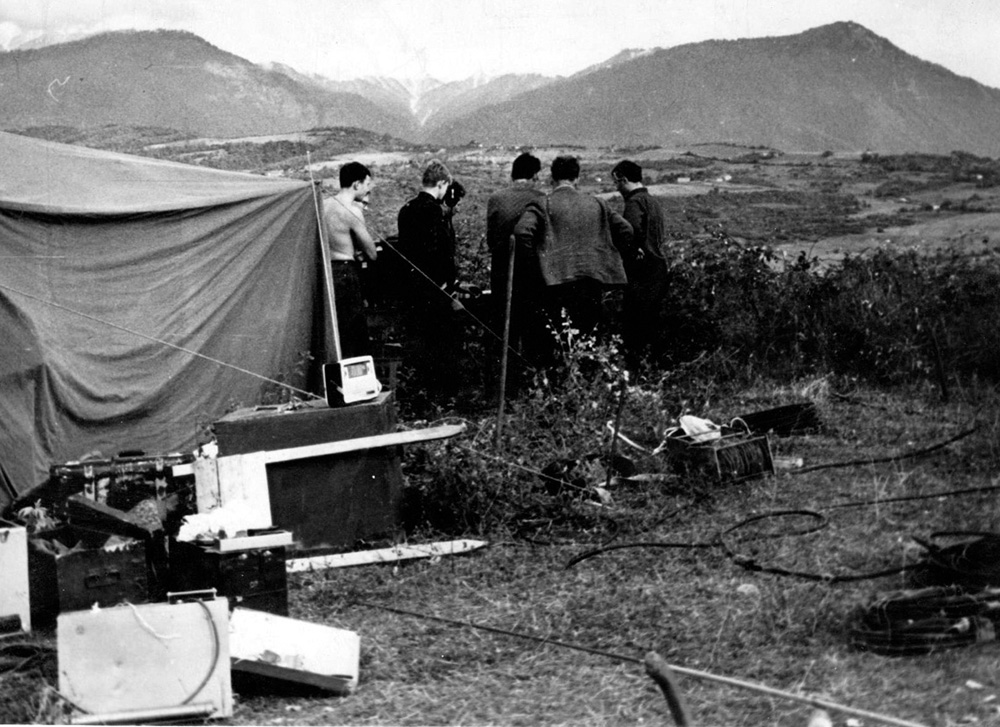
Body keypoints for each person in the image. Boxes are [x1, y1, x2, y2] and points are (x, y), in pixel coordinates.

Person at [514, 155, 634, 358]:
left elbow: (522, 232)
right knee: (588, 337)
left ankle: (562, 375)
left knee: (557, 338)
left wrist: (535, 265)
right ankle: (585, 375)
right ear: (577, 178)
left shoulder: (543, 203)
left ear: (552, 178)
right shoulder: (597, 203)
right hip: (592, 280)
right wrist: (608, 256)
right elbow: (626, 230)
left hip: (555, 281)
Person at [395, 159, 466, 398]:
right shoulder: (435, 212)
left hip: (412, 288)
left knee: (419, 345)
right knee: (443, 345)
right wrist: (449, 285)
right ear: (442, 183)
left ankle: (419, 395)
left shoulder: (406, 210)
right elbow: (443, 253)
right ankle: (443, 396)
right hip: (436, 289)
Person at [485, 152, 546, 367]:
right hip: (532, 274)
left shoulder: (496, 198)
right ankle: (531, 377)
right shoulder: (541, 198)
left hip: (501, 272)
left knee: (503, 330)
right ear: (535, 175)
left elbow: (491, 239)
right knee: (533, 332)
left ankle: (503, 376)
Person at [612, 159, 670, 365]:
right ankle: (653, 368)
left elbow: (630, 232)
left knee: (635, 326)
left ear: (624, 179)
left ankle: (635, 369)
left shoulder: (634, 203)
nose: (616, 188)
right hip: (659, 268)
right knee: (652, 323)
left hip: (642, 270)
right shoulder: (652, 201)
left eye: (616, 182)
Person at [322, 161, 378, 359]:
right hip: (345, 273)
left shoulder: (323, 205)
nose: (368, 188)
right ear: (356, 184)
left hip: (326, 271)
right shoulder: (352, 211)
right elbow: (372, 253)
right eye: (367, 184)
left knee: (333, 330)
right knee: (352, 333)